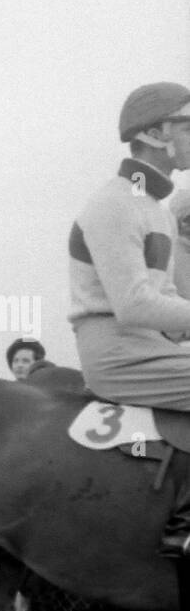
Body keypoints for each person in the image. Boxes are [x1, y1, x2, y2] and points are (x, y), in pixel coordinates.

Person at [68, 82, 190, 555]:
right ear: (158, 133)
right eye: (188, 126)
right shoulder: (114, 203)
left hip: (150, 345)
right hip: (116, 352)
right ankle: (183, 524)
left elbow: (172, 309)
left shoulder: (156, 209)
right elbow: (135, 305)